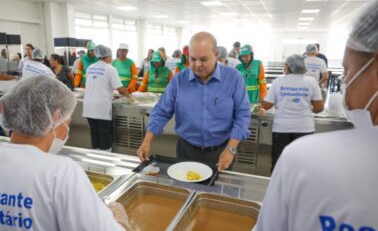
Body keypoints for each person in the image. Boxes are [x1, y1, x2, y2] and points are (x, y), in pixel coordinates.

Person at [250, 0, 378, 231]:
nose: (347, 87)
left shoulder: (308, 160)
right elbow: (318, 107)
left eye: (350, 71)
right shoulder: (309, 97)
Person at [0, 75, 132, 231]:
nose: (66, 131)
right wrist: (121, 218)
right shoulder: (60, 173)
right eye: (67, 122)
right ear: (55, 117)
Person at [137, 32, 251, 171]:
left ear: (216, 54)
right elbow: (161, 110)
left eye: (204, 59)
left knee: (216, 192)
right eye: (193, 59)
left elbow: (243, 115)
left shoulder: (233, 78)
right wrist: (147, 141)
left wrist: (231, 148)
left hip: (221, 151)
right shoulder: (179, 80)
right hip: (187, 151)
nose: (197, 65)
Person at [261, 54, 324, 171]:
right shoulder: (311, 81)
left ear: (288, 67)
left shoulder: (278, 81)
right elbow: (319, 108)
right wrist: (306, 107)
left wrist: (264, 100)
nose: (284, 67)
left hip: (282, 129)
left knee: (280, 164)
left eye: (285, 65)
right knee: (301, 165)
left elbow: (267, 105)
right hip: (305, 128)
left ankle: (279, 187)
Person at [83, 45, 133, 151]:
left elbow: (96, 84)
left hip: (88, 105)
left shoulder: (90, 68)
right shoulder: (110, 69)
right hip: (101, 106)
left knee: (94, 132)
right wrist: (130, 97)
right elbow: (120, 88)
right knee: (104, 134)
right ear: (108, 56)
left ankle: (95, 159)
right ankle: (105, 160)